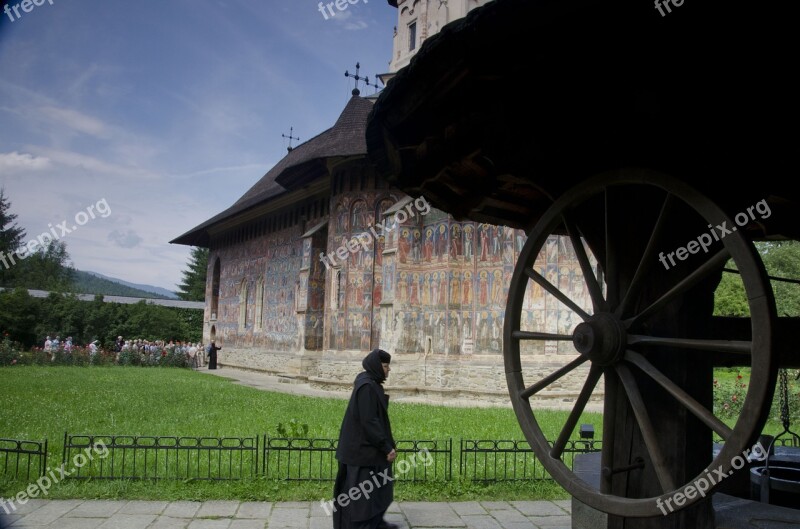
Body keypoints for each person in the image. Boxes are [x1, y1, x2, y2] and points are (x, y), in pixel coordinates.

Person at [332, 348, 398, 529]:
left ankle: (375, 523)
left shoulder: (369, 383)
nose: (388, 370)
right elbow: (370, 422)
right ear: (376, 366)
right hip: (360, 453)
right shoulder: (367, 387)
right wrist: (387, 447)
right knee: (360, 497)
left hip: (364, 451)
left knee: (378, 489)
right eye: (385, 366)